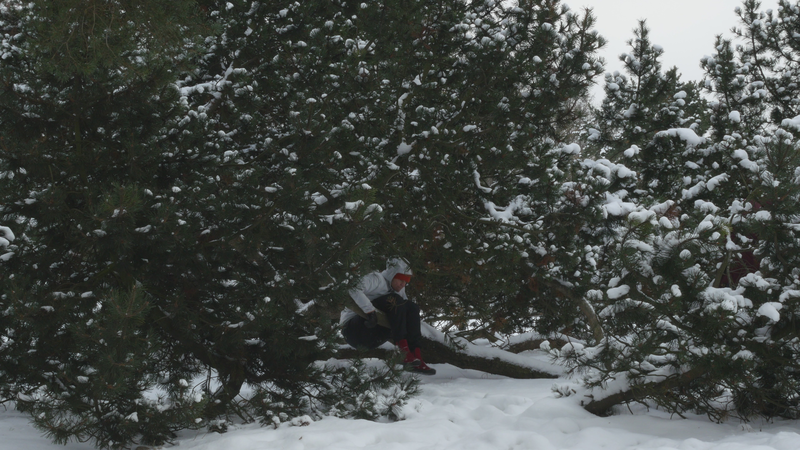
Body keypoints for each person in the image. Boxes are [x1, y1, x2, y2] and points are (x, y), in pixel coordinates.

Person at [340, 258, 436, 375]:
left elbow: (406, 314)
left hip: (373, 336)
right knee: (394, 300)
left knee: (412, 308)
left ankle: (415, 356)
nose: (403, 284)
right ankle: (401, 351)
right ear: (392, 274)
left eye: (406, 281)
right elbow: (353, 288)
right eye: (401, 279)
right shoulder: (376, 279)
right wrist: (370, 311)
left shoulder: (398, 290)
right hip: (353, 330)